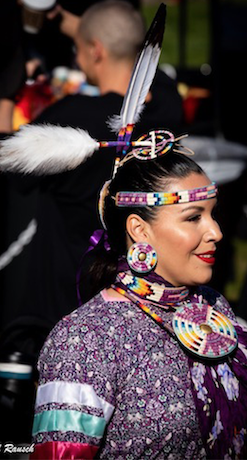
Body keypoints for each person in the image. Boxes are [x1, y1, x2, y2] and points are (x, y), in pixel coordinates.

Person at [29, 138, 247, 458]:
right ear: (139, 230)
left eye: (213, 214)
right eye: (193, 217)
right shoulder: (85, 339)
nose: (215, 232)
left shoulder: (211, 306)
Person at [3, 0, 183, 334]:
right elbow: (152, 76)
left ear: (95, 50)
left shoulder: (72, 116)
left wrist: (5, 94)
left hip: (68, 304)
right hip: (142, 296)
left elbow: (11, 165)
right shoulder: (169, 109)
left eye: (78, 47)